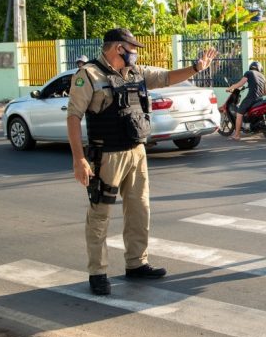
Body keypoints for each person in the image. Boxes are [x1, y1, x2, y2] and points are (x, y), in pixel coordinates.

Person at [66, 28, 217, 296]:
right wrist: (79, 159)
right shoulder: (88, 75)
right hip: (106, 155)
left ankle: (136, 263)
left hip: (137, 151)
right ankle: (98, 272)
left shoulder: (137, 73)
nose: (135, 52)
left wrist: (196, 67)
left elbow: (168, 77)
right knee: (100, 215)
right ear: (117, 48)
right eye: (131, 47)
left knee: (139, 209)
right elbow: (73, 118)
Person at [227, 61, 266, 140]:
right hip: (260, 99)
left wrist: (230, 87)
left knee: (239, 114)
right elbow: (265, 92)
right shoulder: (263, 76)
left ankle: (237, 135)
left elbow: (240, 84)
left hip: (251, 98)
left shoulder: (249, 73)